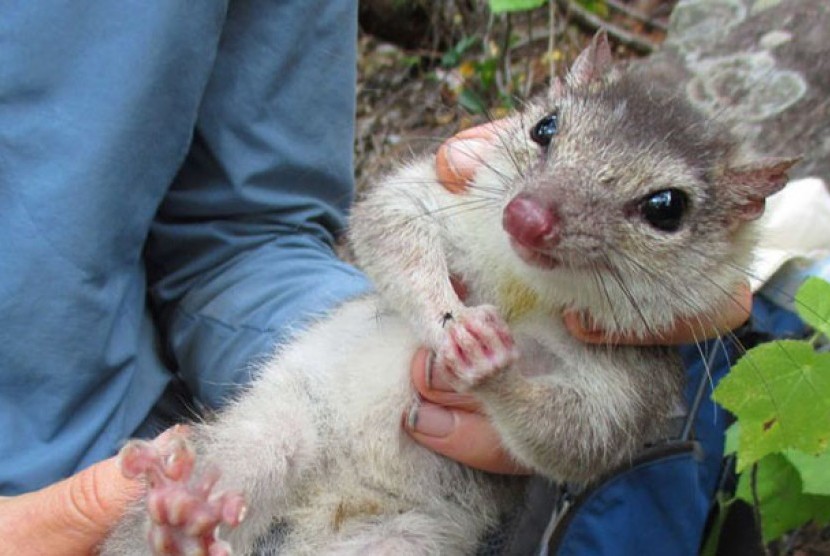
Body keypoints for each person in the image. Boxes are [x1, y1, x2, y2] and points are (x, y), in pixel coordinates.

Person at [0, 2, 752, 553]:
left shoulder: (633, 337)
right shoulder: (497, 187)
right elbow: (393, 220)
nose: (534, 214)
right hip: (259, 421)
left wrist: (492, 385)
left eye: (658, 207)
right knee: (238, 460)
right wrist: (442, 316)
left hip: (405, 490)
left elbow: (241, 234)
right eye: (548, 138)